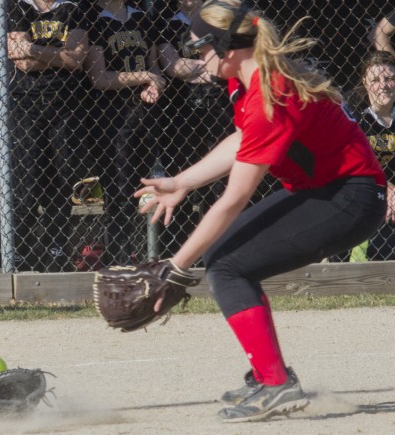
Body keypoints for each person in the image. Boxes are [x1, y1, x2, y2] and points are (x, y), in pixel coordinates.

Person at [133, 0, 386, 422]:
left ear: (227, 47)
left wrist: (175, 266)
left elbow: (234, 199)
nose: (196, 58)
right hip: (328, 189)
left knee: (226, 265)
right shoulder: (246, 83)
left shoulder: (271, 93)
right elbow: (240, 140)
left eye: (200, 49)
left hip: (351, 197)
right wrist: (181, 182)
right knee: (227, 260)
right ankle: (271, 375)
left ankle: (276, 385)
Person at [81, 0, 169, 265]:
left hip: (144, 112)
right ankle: (118, 256)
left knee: (140, 184)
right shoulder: (94, 19)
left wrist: (155, 84)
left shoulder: (142, 18)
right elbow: (99, 77)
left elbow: (154, 67)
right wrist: (143, 76)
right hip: (112, 116)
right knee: (118, 187)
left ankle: (138, 253)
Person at [5, 0, 88, 272]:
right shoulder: (15, 6)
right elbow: (22, 64)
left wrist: (33, 49)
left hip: (64, 104)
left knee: (61, 179)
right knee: (25, 184)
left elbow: (76, 59)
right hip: (24, 104)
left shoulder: (75, 7)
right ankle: (18, 254)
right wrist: (57, 55)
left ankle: (56, 252)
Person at [155, 0, 235, 258]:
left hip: (219, 107)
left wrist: (197, 69)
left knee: (220, 184)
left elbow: (222, 67)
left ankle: (219, 249)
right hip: (181, 112)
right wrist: (209, 69)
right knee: (182, 173)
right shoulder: (166, 21)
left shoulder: (217, 18)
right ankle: (176, 252)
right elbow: (174, 66)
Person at [344, 51, 395, 261]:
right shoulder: (356, 121)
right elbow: (353, 169)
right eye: (375, 80)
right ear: (365, 83)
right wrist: (388, 189)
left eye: (389, 78)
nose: (382, 85)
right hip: (371, 193)